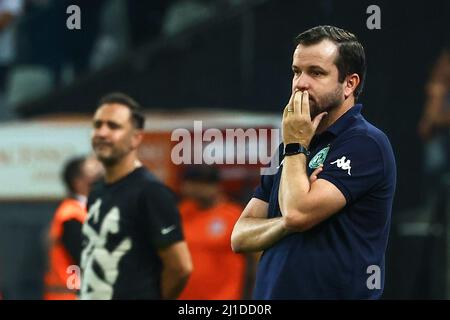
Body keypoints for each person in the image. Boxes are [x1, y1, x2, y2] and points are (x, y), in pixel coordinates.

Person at [231, 25, 396, 299]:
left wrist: (296, 146)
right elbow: (240, 235)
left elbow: (297, 212)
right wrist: (285, 224)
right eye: (296, 71)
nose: (300, 83)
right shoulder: (290, 147)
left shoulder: (365, 143)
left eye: (316, 73)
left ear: (349, 84)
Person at [80, 92, 192, 299]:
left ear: (136, 138)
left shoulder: (150, 192)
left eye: (113, 126)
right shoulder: (96, 191)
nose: (102, 132)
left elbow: (180, 267)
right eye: (97, 125)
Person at [177, 165, 248, 300]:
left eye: (199, 184)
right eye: (190, 183)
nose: (192, 189)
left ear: (215, 186)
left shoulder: (234, 215)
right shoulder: (181, 212)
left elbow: (256, 258)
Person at [44, 155, 102, 300]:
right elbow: (86, 258)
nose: (100, 172)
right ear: (78, 182)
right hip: (69, 295)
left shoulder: (88, 211)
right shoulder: (70, 216)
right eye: (93, 169)